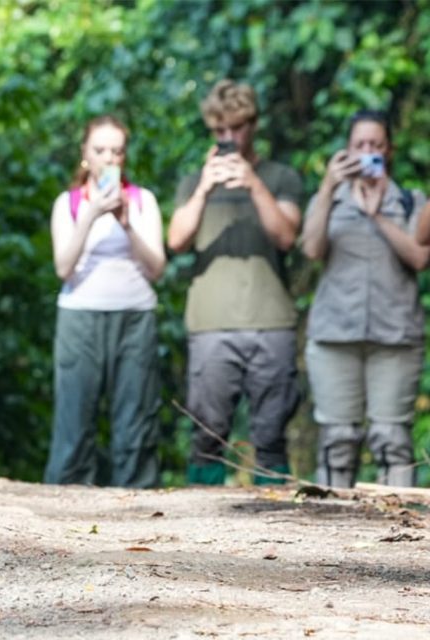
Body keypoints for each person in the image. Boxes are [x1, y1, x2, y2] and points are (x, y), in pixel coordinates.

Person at [166, 80, 304, 486]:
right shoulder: (194, 182)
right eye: (219, 131)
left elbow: (286, 236)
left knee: (272, 435)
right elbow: (176, 241)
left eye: (237, 128)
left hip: (270, 321)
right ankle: (199, 528)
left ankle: (280, 525)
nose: (228, 138)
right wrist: (206, 188)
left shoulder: (280, 177)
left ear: (253, 124)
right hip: (211, 323)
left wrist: (253, 183)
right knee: (206, 434)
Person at [300, 110, 428, 488]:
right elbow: (311, 249)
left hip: (395, 338)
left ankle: (400, 538)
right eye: (360, 145)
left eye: (376, 144)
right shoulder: (332, 199)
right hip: (334, 336)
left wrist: (378, 217)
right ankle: (331, 536)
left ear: (389, 150)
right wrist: (327, 187)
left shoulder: (410, 200)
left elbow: (420, 258)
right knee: (337, 442)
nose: (368, 151)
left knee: (392, 441)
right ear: (347, 150)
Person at [44, 116, 166, 488]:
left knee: (136, 419)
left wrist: (126, 223)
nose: (108, 158)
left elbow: (157, 268)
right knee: (74, 419)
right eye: (100, 150)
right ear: (85, 154)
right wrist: (92, 213)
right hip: (80, 318)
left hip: (135, 317)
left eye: (116, 151)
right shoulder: (68, 203)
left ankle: (138, 500)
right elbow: (64, 268)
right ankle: (66, 500)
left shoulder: (143, 201)